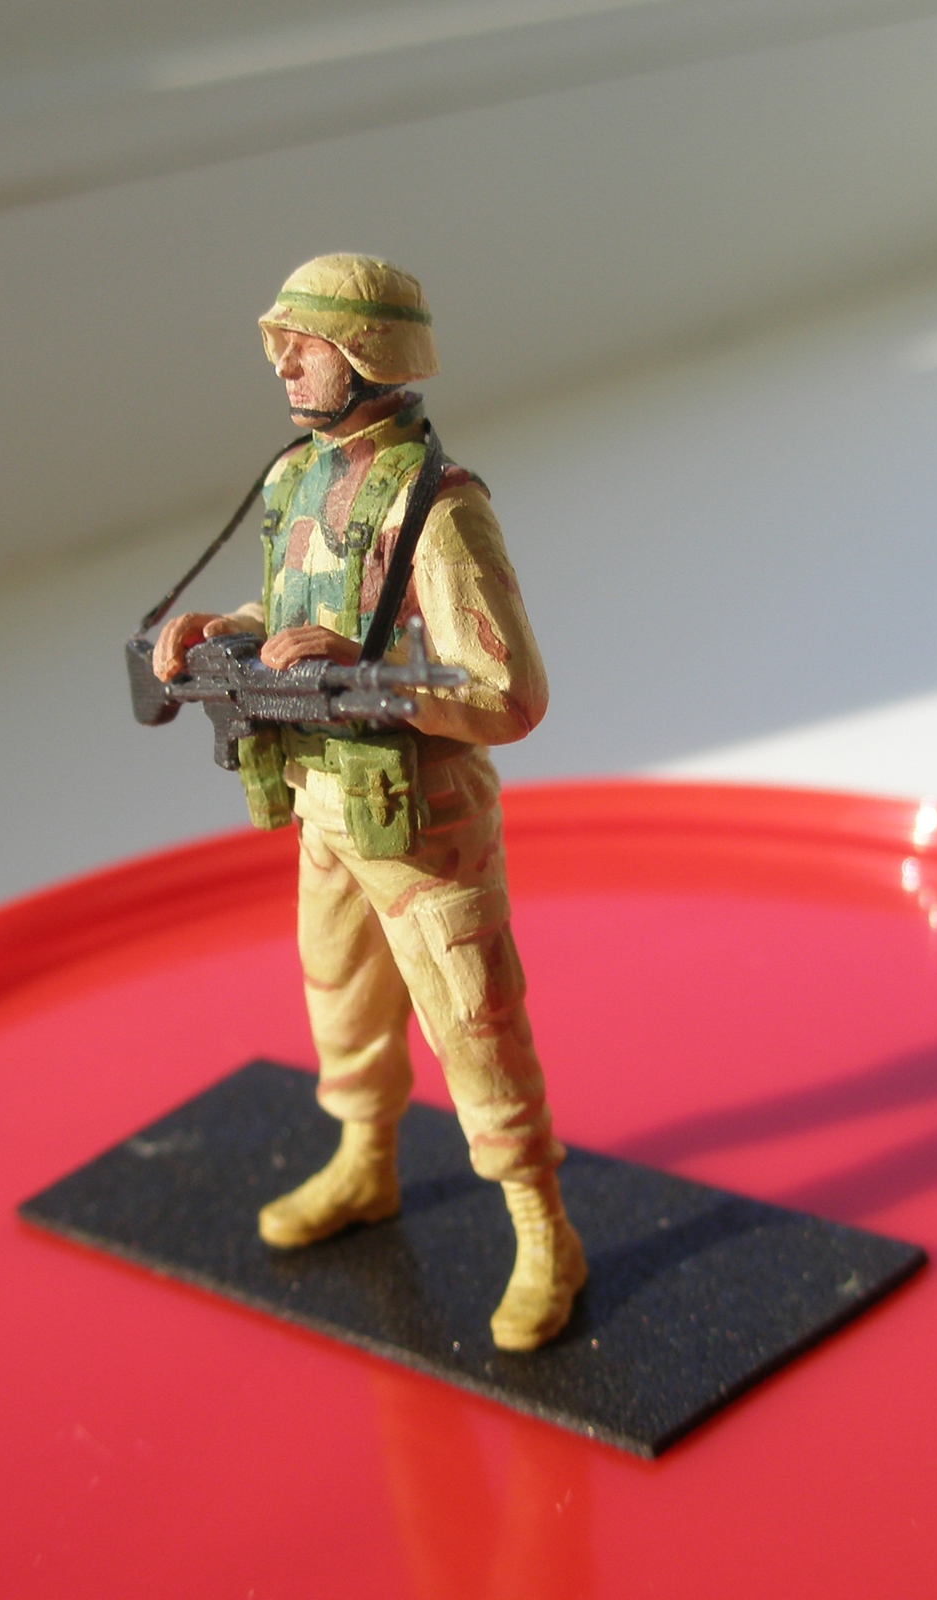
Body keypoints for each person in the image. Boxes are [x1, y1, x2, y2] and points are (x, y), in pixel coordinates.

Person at [153, 254, 585, 1351]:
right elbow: (303, 605)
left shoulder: (443, 509)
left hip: (425, 828)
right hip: (326, 802)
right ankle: (366, 1161)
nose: (285, 365)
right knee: (340, 1003)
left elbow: (509, 693)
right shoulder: (297, 482)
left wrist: (366, 670)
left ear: (368, 354)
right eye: (283, 346)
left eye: (304, 345)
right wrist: (224, 631)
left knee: (474, 1027)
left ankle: (543, 1228)